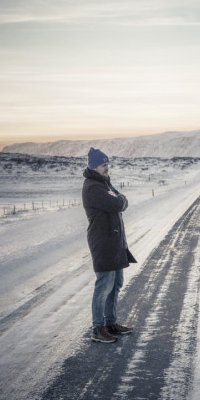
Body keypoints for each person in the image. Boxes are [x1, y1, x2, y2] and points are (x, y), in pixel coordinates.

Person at [82, 147, 136, 343]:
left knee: (115, 285)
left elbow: (122, 200)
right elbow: (118, 204)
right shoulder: (93, 187)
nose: (107, 168)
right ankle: (98, 328)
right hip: (103, 242)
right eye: (103, 165)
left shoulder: (105, 183)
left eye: (107, 164)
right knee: (104, 286)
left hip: (115, 242)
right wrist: (120, 200)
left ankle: (111, 323)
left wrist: (120, 199)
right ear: (93, 166)